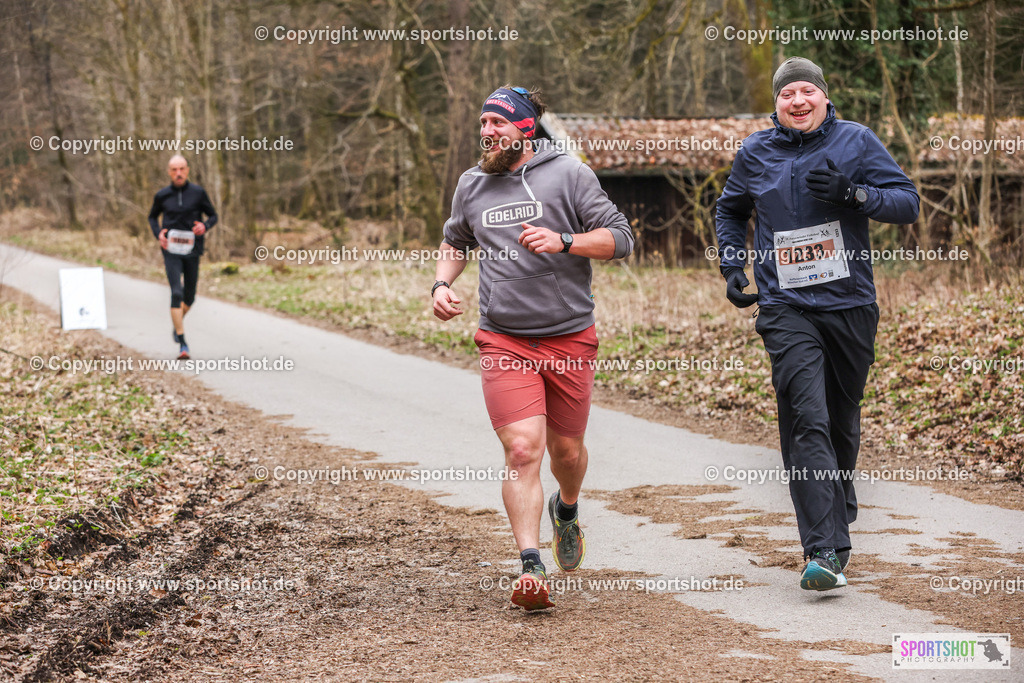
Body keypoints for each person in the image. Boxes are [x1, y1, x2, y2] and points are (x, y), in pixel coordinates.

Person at [714, 57, 919, 591]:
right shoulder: (756, 151)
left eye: (808, 91)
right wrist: (732, 264)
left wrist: (855, 195)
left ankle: (837, 498)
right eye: (788, 94)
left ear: (825, 98)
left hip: (850, 304)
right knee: (806, 419)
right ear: (776, 103)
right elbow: (730, 210)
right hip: (784, 308)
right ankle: (825, 549)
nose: (798, 101)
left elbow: (907, 203)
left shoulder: (856, 141)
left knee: (841, 422)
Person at [431, 85, 634, 610]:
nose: (487, 132)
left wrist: (563, 241)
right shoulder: (471, 184)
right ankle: (530, 564)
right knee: (522, 450)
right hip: (504, 338)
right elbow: (456, 239)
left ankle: (566, 510)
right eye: (482, 123)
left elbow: (621, 239)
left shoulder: (568, 174)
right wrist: (441, 284)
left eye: (497, 123)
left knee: (566, 454)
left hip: (569, 337)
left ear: (525, 128)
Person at [148, 155, 218, 359]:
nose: (178, 173)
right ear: (169, 172)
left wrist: (204, 226)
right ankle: (183, 341)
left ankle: (176, 322)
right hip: (170, 248)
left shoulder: (198, 193)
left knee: (190, 296)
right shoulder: (162, 195)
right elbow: (152, 216)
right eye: (174, 170)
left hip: (192, 249)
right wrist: (158, 232)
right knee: (176, 292)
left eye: (181, 169)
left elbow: (213, 215)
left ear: (187, 170)